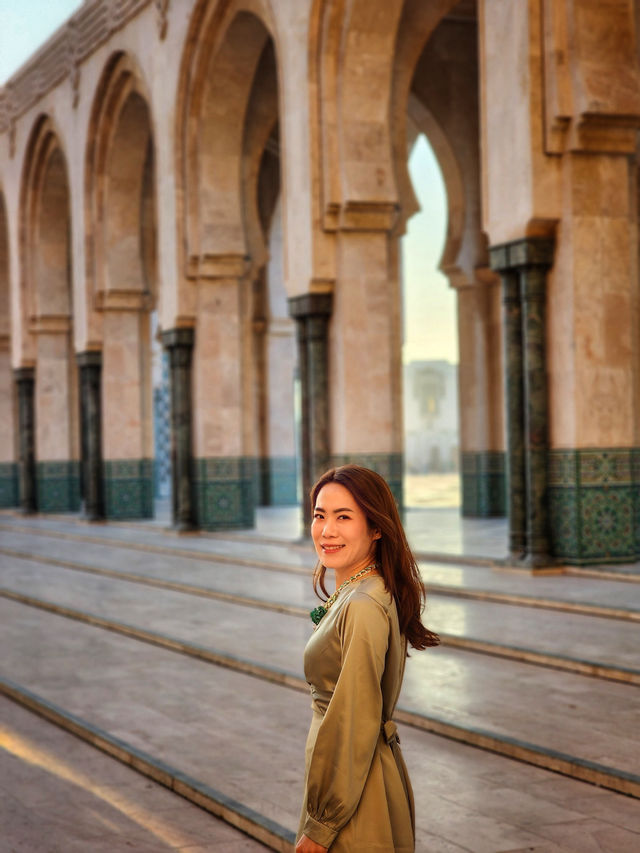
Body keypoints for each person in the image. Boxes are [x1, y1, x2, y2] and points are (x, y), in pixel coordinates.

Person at [296, 464, 439, 853]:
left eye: (344, 517)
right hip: (357, 781)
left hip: (356, 798)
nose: (327, 530)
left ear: (376, 527)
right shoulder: (362, 590)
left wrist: (321, 825)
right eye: (319, 516)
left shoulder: (362, 604)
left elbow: (354, 716)